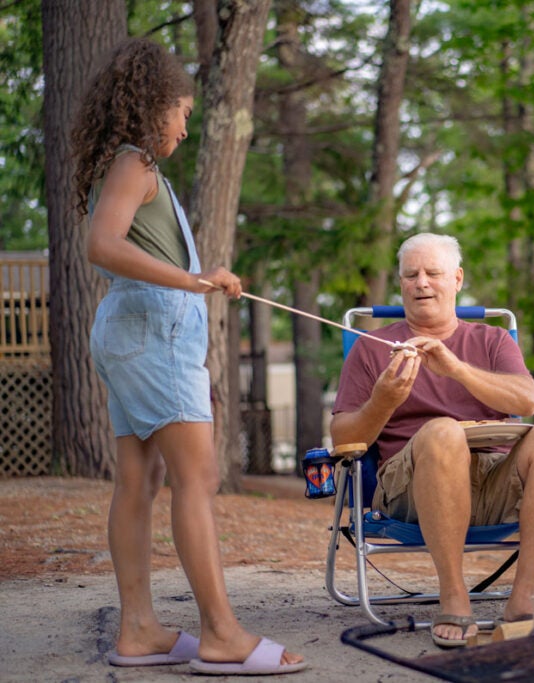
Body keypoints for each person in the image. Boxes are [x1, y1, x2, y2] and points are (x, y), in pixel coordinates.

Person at [70, 38, 305, 675]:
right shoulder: (136, 164)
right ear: (154, 106)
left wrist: (202, 277)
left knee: (140, 481)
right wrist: (191, 282)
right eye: (182, 110)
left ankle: (139, 629)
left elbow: (126, 245)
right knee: (196, 480)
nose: (185, 123)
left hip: (130, 333)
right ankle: (221, 634)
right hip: (152, 334)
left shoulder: (134, 168)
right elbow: (102, 245)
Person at [330, 232, 534, 648]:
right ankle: (454, 595)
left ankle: (522, 600)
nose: (421, 283)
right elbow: (343, 441)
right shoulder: (374, 348)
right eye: (411, 275)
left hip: (493, 479)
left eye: (433, 273)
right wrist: (383, 400)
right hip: (410, 486)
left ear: (458, 279)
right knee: (443, 431)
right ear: (400, 283)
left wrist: (456, 369)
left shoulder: (492, 340)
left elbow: (527, 400)